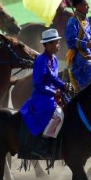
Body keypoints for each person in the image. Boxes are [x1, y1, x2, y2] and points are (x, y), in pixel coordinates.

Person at [21, 29, 70, 157]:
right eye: (54, 43)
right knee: (59, 114)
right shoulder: (41, 60)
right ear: (47, 45)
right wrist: (54, 92)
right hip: (41, 97)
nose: (57, 45)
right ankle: (41, 144)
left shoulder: (54, 59)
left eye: (58, 43)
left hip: (51, 94)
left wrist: (64, 86)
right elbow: (37, 84)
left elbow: (54, 79)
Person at [65, 0, 91, 90]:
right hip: (80, 56)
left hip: (90, 53)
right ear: (78, 6)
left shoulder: (85, 19)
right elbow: (70, 42)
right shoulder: (72, 22)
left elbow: (89, 31)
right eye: (86, 5)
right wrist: (86, 44)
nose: (88, 7)